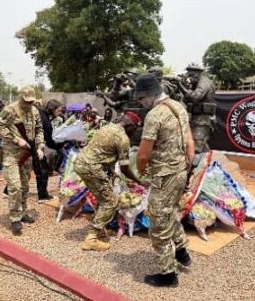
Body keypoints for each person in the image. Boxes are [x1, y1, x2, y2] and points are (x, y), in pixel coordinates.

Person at [135, 73, 195, 287]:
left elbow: (143, 155)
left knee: (158, 223)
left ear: (150, 95)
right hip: (179, 171)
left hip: (163, 175)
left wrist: (139, 174)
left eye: (141, 99)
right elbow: (190, 140)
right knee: (169, 212)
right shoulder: (178, 107)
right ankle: (181, 251)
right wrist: (187, 169)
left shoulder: (155, 115)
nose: (140, 103)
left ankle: (168, 274)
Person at [74, 111, 143, 251]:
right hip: (92, 168)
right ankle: (91, 238)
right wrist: (139, 181)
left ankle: (100, 230)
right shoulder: (123, 139)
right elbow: (125, 168)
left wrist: (112, 172)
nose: (134, 132)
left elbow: (101, 152)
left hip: (81, 163)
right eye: (135, 128)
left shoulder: (107, 127)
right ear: (129, 126)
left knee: (102, 198)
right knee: (111, 201)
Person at [0, 86, 45, 235]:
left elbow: (39, 129)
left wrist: (40, 146)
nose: (29, 104)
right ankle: (15, 218)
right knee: (15, 186)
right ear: (20, 98)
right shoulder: (10, 110)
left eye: (31, 101)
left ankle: (22, 212)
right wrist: (15, 139)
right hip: (11, 154)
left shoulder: (34, 111)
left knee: (25, 186)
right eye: (26, 101)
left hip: (27, 155)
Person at [177, 63, 217, 153]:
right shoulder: (196, 83)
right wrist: (185, 86)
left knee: (196, 147)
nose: (188, 78)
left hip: (202, 120)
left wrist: (180, 86)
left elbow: (195, 97)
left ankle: (199, 165)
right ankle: (206, 164)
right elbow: (187, 100)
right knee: (199, 145)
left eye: (190, 75)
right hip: (196, 118)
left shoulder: (204, 83)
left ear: (196, 74)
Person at [34, 98, 65, 201]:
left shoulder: (39, 111)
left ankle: (8, 191)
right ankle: (43, 196)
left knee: (23, 169)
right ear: (53, 109)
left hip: (28, 143)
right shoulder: (46, 122)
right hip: (35, 146)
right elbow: (50, 142)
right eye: (59, 110)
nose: (60, 113)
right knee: (43, 170)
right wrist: (64, 142)